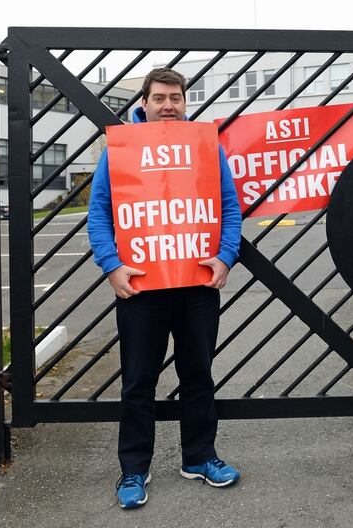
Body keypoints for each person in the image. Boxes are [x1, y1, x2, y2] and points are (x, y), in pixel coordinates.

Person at [87, 68, 243, 509]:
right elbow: (99, 212)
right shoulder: (119, 150)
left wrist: (226, 256)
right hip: (139, 287)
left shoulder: (205, 146)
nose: (169, 105)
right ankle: (134, 469)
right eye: (160, 98)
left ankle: (200, 457)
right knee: (138, 381)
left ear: (185, 102)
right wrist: (111, 266)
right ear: (145, 102)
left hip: (196, 285)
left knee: (198, 374)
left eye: (176, 97)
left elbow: (230, 206)